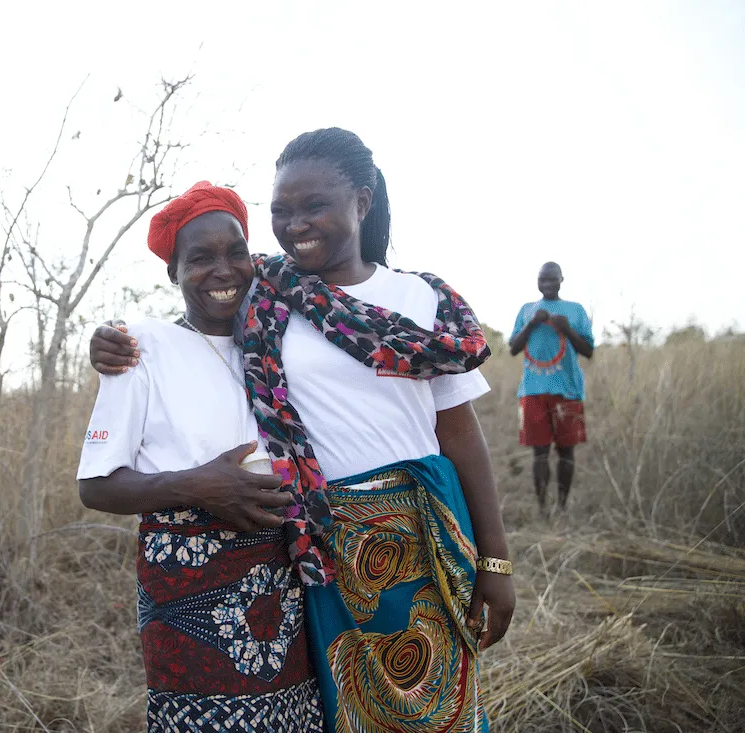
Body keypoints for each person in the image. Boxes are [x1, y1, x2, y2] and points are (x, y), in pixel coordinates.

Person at [90, 128, 515, 733]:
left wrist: (496, 564)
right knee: (347, 710)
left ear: (362, 202)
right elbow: (195, 304)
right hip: (321, 544)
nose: (295, 225)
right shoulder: (268, 298)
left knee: (437, 706)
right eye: (281, 212)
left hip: (425, 529)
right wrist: (108, 341)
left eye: (314, 206)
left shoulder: (422, 300)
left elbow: (462, 436)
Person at [76, 181, 325, 732]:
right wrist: (199, 486)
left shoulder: (276, 342)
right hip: (186, 582)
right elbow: (95, 486)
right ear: (173, 272)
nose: (224, 270)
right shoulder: (140, 347)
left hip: (280, 571)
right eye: (201, 258)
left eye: (236, 252)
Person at [508, 261, 595, 519]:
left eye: (552, 279)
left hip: (567, 391)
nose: (547, 285)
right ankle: (543, 509)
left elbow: (589, 351)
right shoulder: (527, 310)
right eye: (542, 280)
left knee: (566, 451)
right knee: (540, 452)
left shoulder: (575, 311)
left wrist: (567, 329)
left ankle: (562, 506)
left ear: (561, 280)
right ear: (537, 281)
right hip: (533, 390)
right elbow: (513, 348)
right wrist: (532, 324)